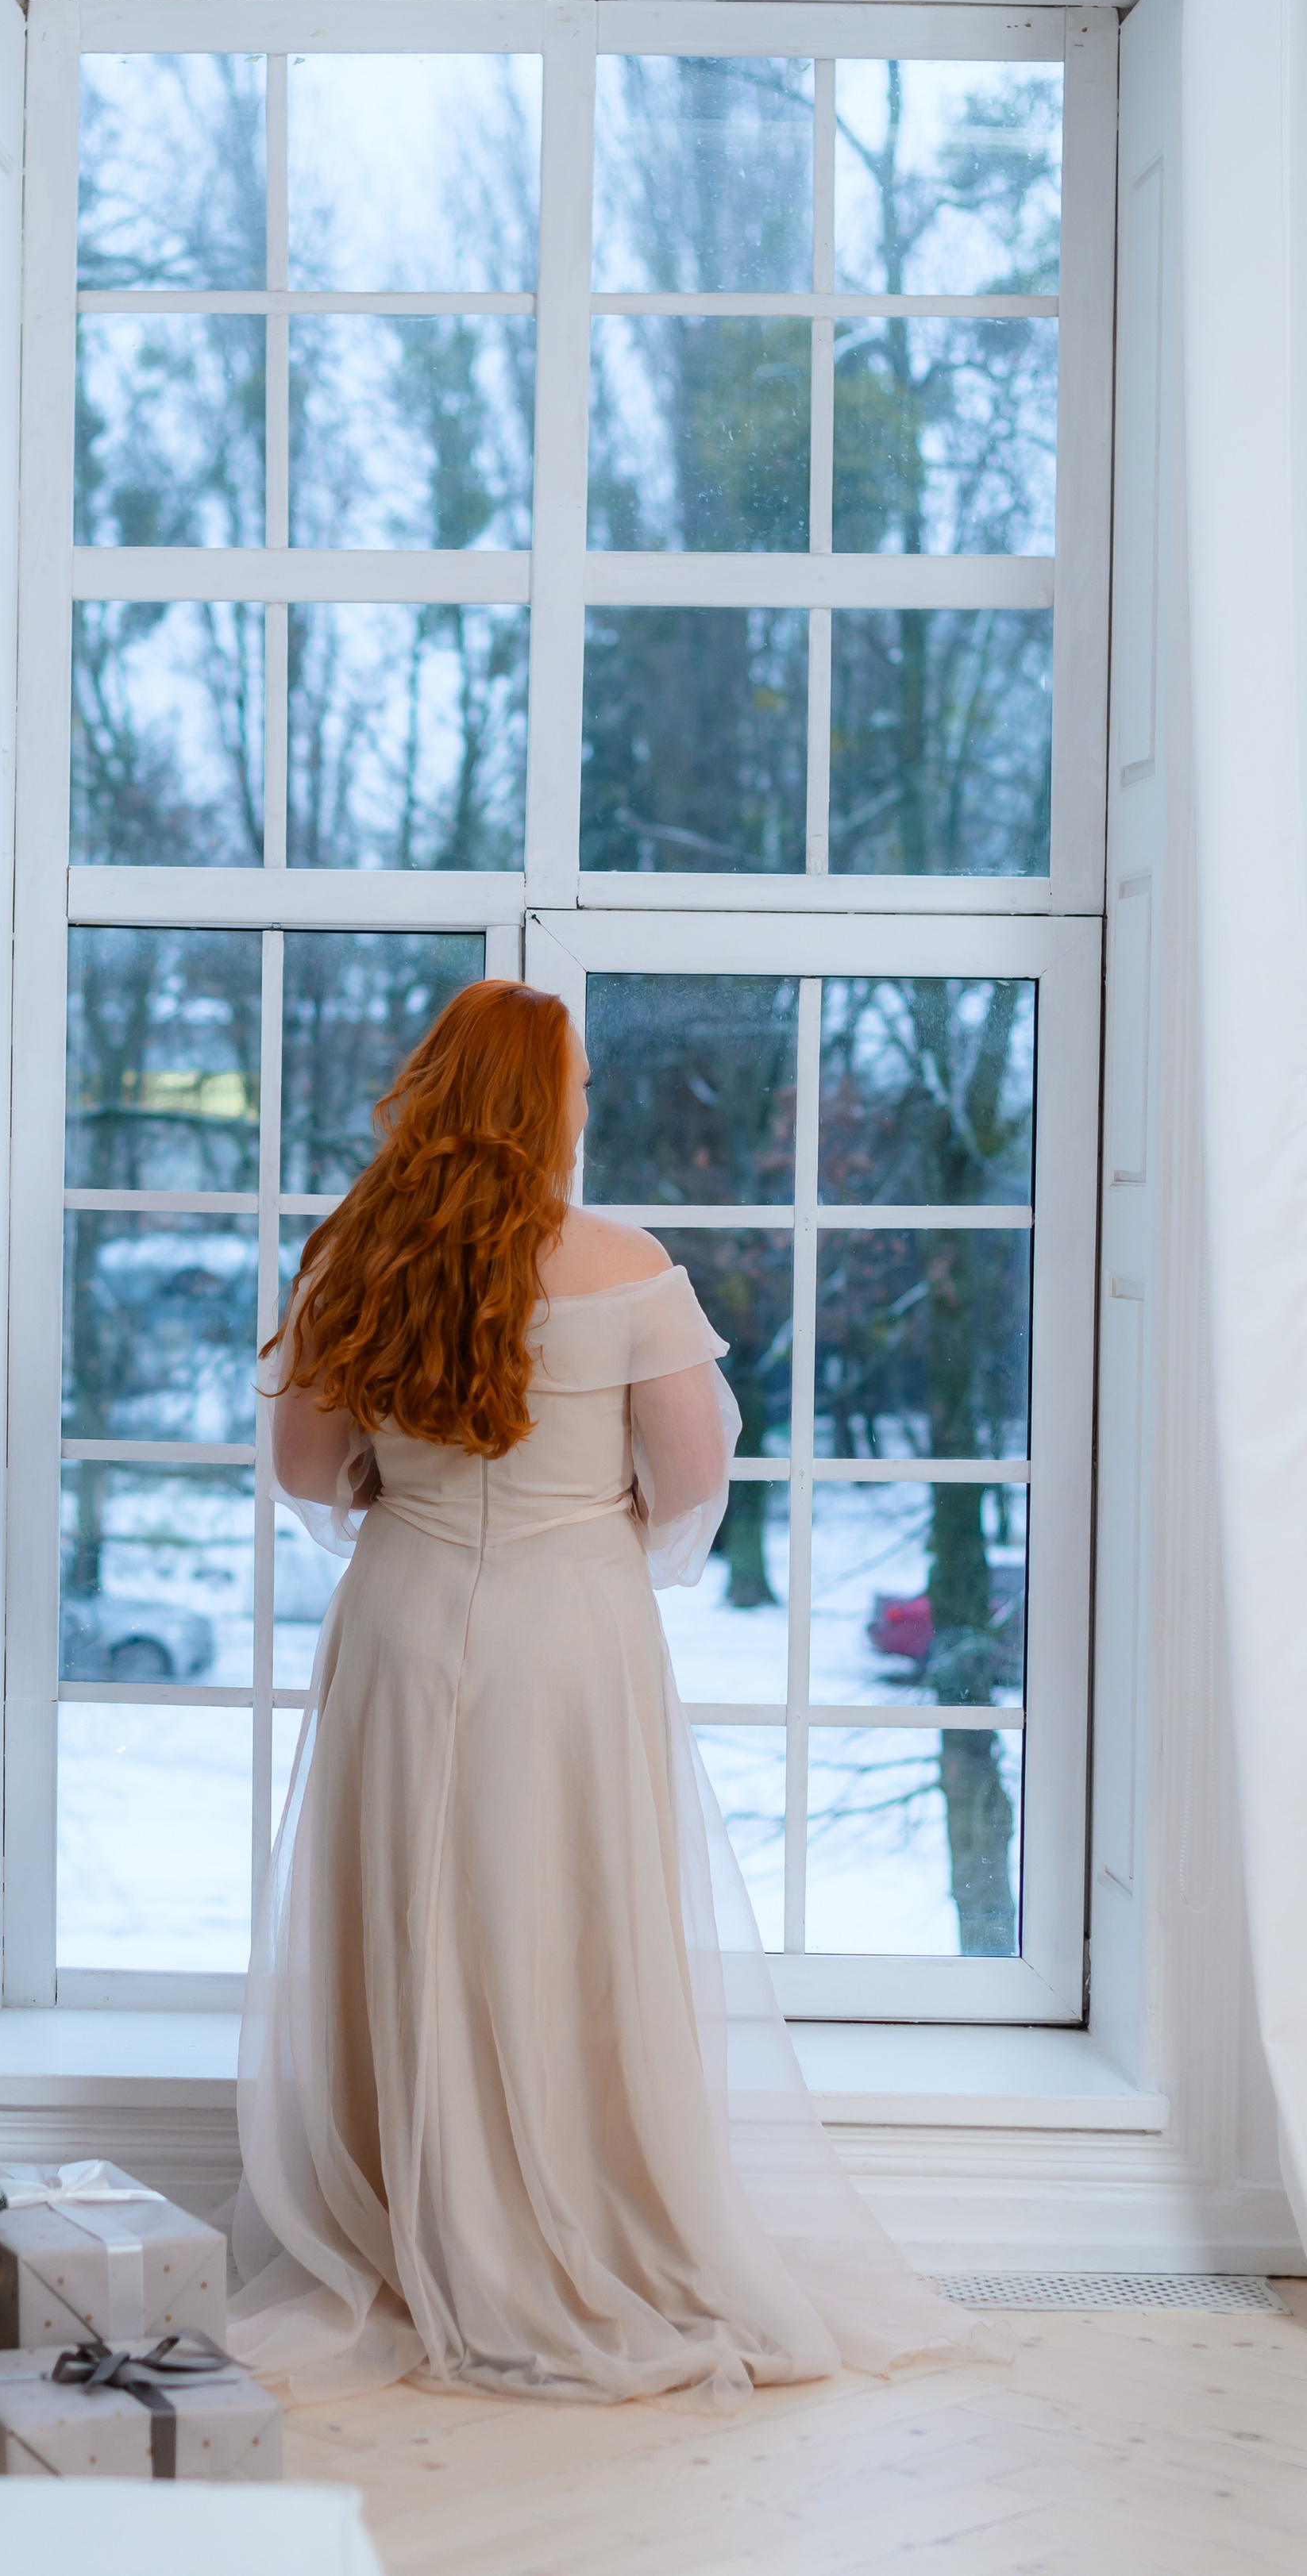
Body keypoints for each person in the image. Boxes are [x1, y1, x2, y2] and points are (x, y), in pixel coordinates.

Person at [229, 980, 996, 2406]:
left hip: (403, 1613)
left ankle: (418, 2213)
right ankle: (565, 2211)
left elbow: (299, 1472)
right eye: (575, 1081)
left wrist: (409, 1496)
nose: (587, 1101)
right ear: (543, 1103)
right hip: (569, 1624)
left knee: (410, 1902)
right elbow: (698, 1477)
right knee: (569, 1910)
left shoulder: (354, 1261)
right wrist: (591, 1530)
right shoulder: (626, 1266)